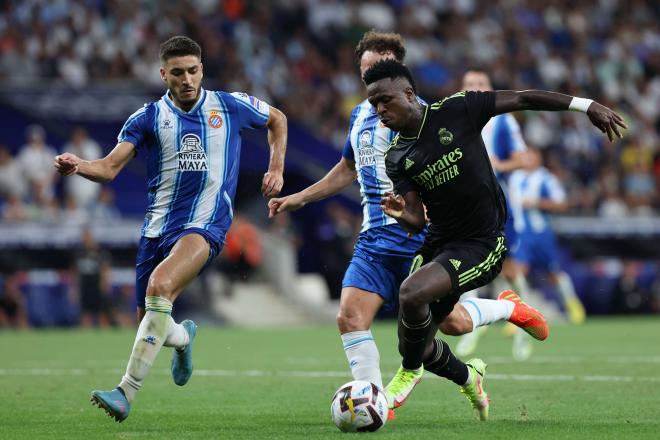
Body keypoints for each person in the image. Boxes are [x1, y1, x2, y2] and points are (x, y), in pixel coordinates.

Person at [268, 31, 545, 418]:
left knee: (452, 325)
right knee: (349, 316)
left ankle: (505, 308)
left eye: (378, 65)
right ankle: (376, 401)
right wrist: (300, 197)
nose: (370, 74)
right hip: (374, 238)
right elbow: (347, 168)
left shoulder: (420, 113)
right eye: (365, 68)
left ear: (398, 68)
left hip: (420, 237)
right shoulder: (361, 114)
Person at [363, 59, 625, 420]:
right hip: (439, 240)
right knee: (435, 335)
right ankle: (477, 364)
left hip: (483, 241)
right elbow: (415, 219)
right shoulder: (396, 156)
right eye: (373, 103)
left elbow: (524, 98)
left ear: (408, 93)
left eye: (384, 100)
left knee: (410, 294)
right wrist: (400, 213)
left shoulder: (458, 109)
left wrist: (586, 105)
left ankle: (408, 374)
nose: (379, 109)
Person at [54, 36, 287, 422]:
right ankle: (182, 338)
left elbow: (277, 119)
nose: (187, 79)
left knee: (160, 288)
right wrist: (79, 164)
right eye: (177, 72)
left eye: (193, 70)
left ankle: (125, 392)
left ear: (202, 69)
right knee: (152, 317)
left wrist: (276, 167)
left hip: (206, 223)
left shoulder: (228, 106)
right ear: (164, 74)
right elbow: (110, 168)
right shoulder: (146, 118)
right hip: (156, 228)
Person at [456, 69, 535, 360]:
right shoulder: (454, 118)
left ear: (489, 89)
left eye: (480, 84)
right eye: (469, 84)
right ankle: (474, 325)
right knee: (462, 261)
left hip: (498, 202)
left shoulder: (503, 119)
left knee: (510, 269)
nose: (475, 89)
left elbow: (523, 159)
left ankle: (525, 323)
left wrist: (498, 165)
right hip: (464, 202)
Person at [508, 147, 586, 323]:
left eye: (531, 156)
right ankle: (519, 316)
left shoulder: (546, 178)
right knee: (517, 272)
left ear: (539, 159)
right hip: (520, 234)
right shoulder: (514, 178)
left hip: (541, 233)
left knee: (553, 274)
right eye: (525, 156)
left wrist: (536, 203)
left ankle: (572, 303)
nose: (527, 159)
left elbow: (561, 204)